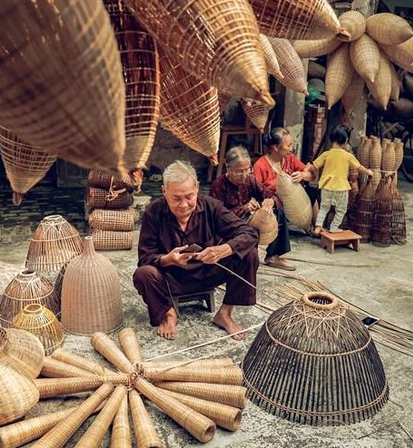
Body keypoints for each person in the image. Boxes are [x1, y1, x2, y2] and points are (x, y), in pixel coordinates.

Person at [133, 161, 259, 340]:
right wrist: (168, 259)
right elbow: (145, 258)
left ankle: (224, 314)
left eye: (189, 196)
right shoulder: (154, 212)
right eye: (176, 198)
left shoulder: (211, 206)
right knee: (143, 274)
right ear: (164, 191)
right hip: (172, 278)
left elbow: (250, 233)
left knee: (249, 254)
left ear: (197, 188)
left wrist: (224, 250)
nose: (183, 204)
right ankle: (169, 315)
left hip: (209, 272)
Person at [210, 146, 296, 271]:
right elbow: (215, 216)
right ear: (228, 168)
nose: (244, 175)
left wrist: (270, 201)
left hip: (246, 220)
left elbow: (271, 195)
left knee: (279, 211)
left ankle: (273, 256)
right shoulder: (219, 185)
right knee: (250, 233)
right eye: (240, 171)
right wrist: (243, 209)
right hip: (228, 227)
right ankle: (243, 262)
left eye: (247, 169)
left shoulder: (249, 180)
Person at [310, 125, 373, 235]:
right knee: (341, 210)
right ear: (346, 141)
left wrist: (306, 168)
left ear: (331, 139)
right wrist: (368, 172)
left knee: (324, 208)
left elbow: (314, 166)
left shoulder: (326, 154)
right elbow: (359, 167)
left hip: (326, 185)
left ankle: (318, 227)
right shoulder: (348, 156)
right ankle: (333, 228)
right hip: (341, 187)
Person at [253, 127, 319, 227]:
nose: (291, 149)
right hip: (274, 203)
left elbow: (312, 176)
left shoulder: (290, 159)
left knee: (311, 191)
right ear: (276, 147)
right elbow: (255, 191)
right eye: (288, 145)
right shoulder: (260, 165)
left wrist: (302, 175)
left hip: (292, 201)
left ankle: (317, 227)